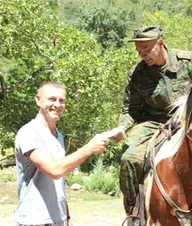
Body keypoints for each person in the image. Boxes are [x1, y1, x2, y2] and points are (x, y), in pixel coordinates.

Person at [117, 25, 192, 225]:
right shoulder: (138, 74)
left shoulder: (189, 61)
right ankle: (135, 212)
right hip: (154, 122)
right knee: (129, 159)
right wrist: (122, 128)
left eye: (146, 48)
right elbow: (130, 110)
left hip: (188, 122)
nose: (142, 54)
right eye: (139, 50)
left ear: (161, 43)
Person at [14, 81, 124, 226]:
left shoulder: (58, 136)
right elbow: (54, 170)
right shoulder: (28, 133)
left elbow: (58, 181)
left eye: (62, 101)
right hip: (33, 221)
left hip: (58, 220)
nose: (57, 105)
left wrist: (66, 216)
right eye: (52, 99)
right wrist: (89, 148)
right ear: (38, 100)